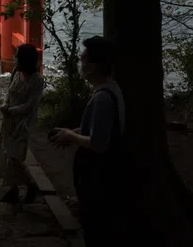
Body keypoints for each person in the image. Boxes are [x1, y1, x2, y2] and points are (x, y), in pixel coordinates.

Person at [49, 36, 128, 246]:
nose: (80, 64)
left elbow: (99, 143)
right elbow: (100, 129)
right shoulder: (112, 88)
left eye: (84, 60)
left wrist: (70, 136)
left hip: (99, 176)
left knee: (95, 228)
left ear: (94, 66)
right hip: (103, 174)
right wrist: (72, 131)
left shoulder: (102, 98)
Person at [0, 44, 44, 203]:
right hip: (9, 119)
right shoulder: (16, 73)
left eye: (17, 56)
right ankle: (13, 188)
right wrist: (6, 105)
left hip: (23, 123)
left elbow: (30, 105)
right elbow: (9, 93)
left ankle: (31, 184)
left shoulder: (37, 80)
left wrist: (10, 110)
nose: (14, 58)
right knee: (7, 154)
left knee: (15, 157)